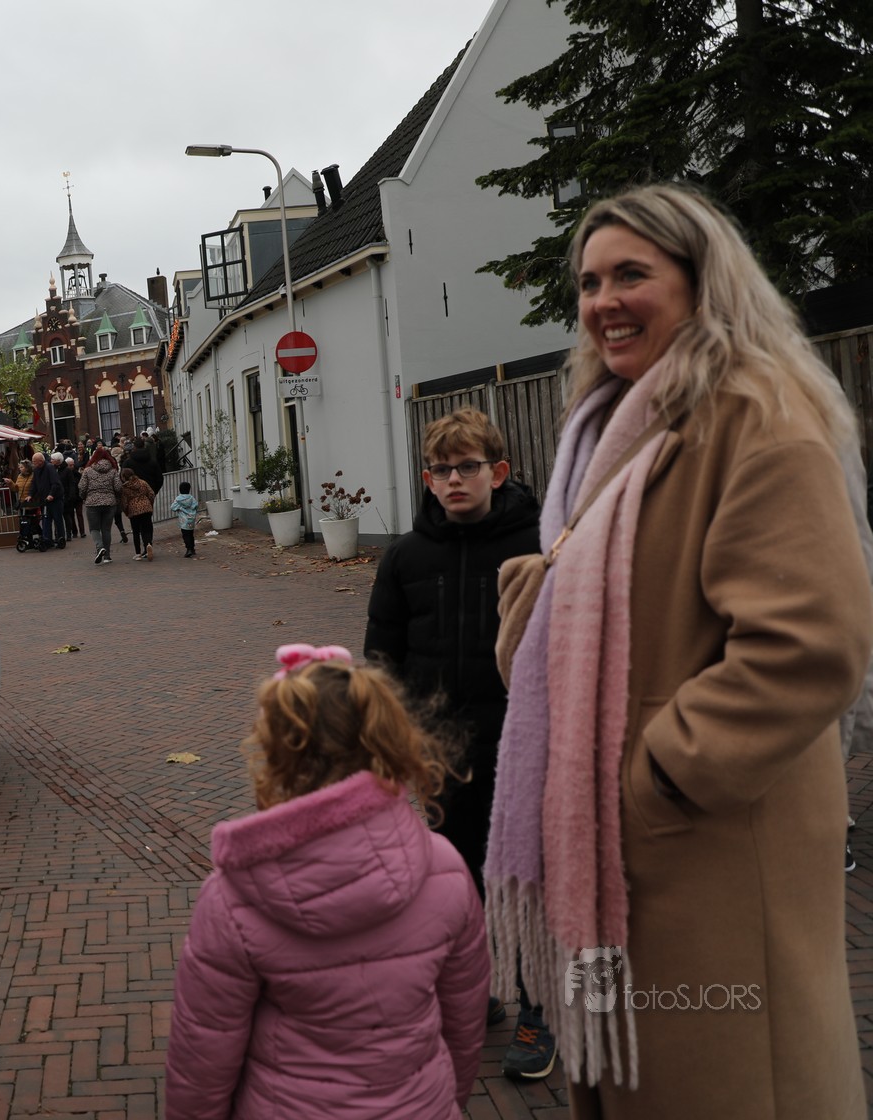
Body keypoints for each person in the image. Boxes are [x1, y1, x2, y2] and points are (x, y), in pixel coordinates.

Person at [488, 183, 872, 1119]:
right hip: (642, 850)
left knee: (732, 1081)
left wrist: (656, 777)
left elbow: (810, 643)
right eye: (588, 282)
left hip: (715, 850)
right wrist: (542, 592)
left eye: (631, 275)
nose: (602, 301)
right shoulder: (615, 428)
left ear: (703, 283)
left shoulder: (755, 414)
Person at [166, 644, 488, 1120]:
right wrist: (444, 1102)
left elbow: (203, 1058)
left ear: (279, 755)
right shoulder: (446, 869)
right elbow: (465, 1022)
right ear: (384, 739)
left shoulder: (234, 898)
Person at [361, 406, 546, 1076]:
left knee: (524, 879)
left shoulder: (539, 545)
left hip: (522, 744)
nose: (454, 480)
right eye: (442, 470)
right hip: (439, 752)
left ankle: (538, 1010)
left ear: (498, 471)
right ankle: (476, 992)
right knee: (458, 882)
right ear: (427, 480)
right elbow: (382, 658)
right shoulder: (406, 557)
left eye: (468, 466)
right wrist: (390, 740)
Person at [78, 447, 121, 564]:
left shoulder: (87, 470)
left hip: (92, 503)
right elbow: (118, 487)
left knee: (94, 528)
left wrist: (84, 497)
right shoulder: (113, 470)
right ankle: (107, 556)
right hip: (109, 503)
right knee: (106, 529)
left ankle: (99, 546)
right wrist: (116, 497)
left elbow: (82, 487)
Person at [29, 450, 65, 550]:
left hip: (55, 499)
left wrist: (51, 494)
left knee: (57, 519)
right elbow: (34, 483)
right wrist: (30, 495)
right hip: (44, 500)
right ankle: (47, 540)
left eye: (34, 461)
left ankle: (61, 538)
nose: (33, 463)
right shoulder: (36, 470)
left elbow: (55, 483)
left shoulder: (49, 467)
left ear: (40, 461)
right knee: (46, 519)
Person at [119, 467, 156, 561]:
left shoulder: (124, 488)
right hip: (146, 508)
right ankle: (148, 545)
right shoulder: (142, 482)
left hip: (133, 510)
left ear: (124, 477)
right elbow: (151, 494)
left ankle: (138, 553)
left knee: (136, 532)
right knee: (146, 529)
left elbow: (124, 502)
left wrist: (126, 512)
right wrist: (149, 504)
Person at [171, 480, 200, 557]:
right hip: (191, 519)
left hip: (183, 520)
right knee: (191, 534)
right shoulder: (191, 498)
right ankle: (192, 549)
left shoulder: (178, 499)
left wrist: (180, 508)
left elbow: (173, 507)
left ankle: (188, 549)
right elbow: (196, 505)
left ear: (180, 489)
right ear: (189, 489)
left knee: (185, 535)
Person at [61, 455, 83, 541]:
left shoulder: (77, 474)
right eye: (70, 465)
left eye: (73, 464)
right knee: (71, 516)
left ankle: (82, 531)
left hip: (77, 497)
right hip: (71, 497)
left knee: (79, 514)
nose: (72, 466)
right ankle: (74, 531)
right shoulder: (66, 473)